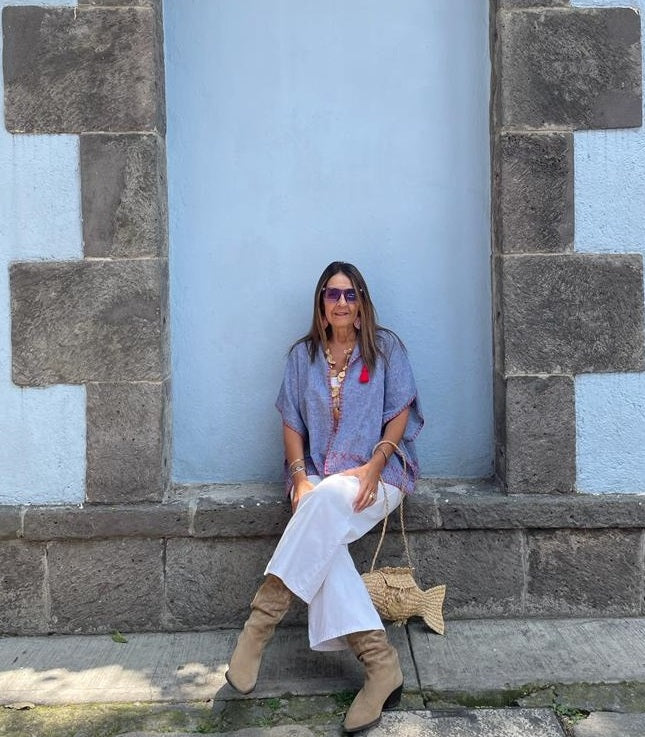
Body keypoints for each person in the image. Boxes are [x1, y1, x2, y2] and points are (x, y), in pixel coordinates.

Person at [225, 261, 423, 733]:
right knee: (325, 534)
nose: (341, 302)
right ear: (321, 303)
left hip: (380, 476)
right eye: (332, 294)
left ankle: (258, 628)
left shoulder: (386, 348)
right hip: (318, 478)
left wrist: (374, 465)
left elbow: (400, 411)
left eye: (350, 294)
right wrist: (298, 479)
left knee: (325, 507)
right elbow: (292, 421)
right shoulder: (303, 356)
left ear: (362, 304)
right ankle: (380, 664)